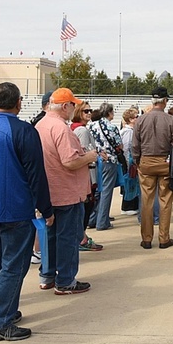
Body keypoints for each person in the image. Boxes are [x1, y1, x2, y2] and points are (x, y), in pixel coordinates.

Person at [0, 82, 54, 341]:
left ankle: (1, 311)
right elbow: (36, 174)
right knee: (13, 266)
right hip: (14, 208)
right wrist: (46, 208)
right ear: (18, 102)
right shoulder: (23, 131)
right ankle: (0, 320)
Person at [35, 88, 98, 295]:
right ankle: (66, 280)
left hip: (48, 191)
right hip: (67, 191)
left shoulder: (41, 124)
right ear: (65, 106)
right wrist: (90, 156)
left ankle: (48, 275)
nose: (75, 108)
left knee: (50, 236)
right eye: (73, 104)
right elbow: (70, 161)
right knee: (68, 237)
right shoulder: (61, 128)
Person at [132, 87, 173, 249]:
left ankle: (146, 238)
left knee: (146, 201)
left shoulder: (140, 120)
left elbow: (135, 145)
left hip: (146, 162)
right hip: (165, 162)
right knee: (165, 201)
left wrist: (137, 162)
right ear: (165, 101)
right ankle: (164, 238)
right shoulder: (171, 120)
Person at [70, 101, 103, 251]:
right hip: (87, 174)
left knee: (85, 207)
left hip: (85, 173)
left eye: (90, 111)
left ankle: (81, 236)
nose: (89, 113)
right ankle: (81, 238)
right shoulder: (81, 130)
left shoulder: (77, 129)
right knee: (87, 206)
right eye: (85, 111)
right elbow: (83, 153)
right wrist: (94, 155)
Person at [87, 102, 122, 231]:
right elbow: (119, 144)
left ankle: (92, 219)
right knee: (107, 191)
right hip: (109, 160)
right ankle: (102, 221)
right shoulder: (111, 127)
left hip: (96, 159)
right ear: (109, 113)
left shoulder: (92, 125)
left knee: (97, 191)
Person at [119, 107, 140, 215]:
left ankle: (130, 205)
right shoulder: (128, 132)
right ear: (131, 119)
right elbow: (126, 148)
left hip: (131, 161)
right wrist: (128, 164)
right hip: (129, 161)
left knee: (131, 183)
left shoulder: (130, 131)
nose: (138, 118)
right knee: (130, 183)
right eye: (136, 116)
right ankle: (128, 206)